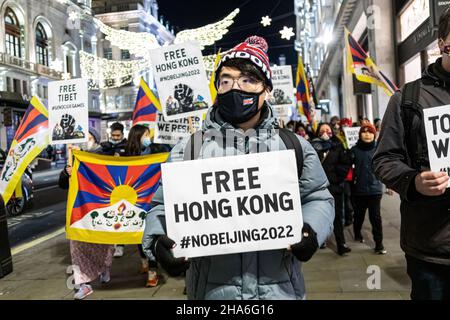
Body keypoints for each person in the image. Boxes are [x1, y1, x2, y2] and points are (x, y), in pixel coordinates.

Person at [142, 36, 334, 300]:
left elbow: (319, 198)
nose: (235, 87)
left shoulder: (294, 146)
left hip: (278, 291)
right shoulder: (189, 149)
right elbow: (162, 208)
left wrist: (311, 230)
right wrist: (158, 242)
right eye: (226, 80)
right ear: (217, 89)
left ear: (266, 90)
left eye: (248, 80)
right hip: (212, 292)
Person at [373, 8, 450, 300]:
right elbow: (383, 160)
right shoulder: (407, 99)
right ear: (442, 43)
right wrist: (414, 181)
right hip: (432, 252)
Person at [58, 128, 114, 300]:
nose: (84, 141)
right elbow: (62, 184)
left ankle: (103, 267)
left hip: (99, 209)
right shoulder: (73, 158)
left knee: (102, 244)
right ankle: (83, 283)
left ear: (95, 139)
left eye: (88, 137)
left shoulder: (103, 154)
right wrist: (66, 173)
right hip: (78, 211)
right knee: (77, 246)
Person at [123, 124, 161, 287]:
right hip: (135, 201)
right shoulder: (127, 154)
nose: (148, 138)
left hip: (152, 199)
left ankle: (153, 272)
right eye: (146, 134)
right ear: (138, 136)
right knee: (139, 235)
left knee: (150, 235)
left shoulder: (154, 151)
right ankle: (145, 263)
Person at [311, 123, 352, 256]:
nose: (325, 132)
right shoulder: (312, 147)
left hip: (335, 187)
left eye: (327, 130)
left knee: (337, 216)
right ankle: (321, 240)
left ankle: (341, 244)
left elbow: (345, 163)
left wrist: (337, 177)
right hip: (318, 188)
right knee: (320, 216)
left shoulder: (337, 145)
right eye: (322, 130)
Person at [350, 123, 387, 254]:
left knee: (375, 217)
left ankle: (379, 244)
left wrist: (389, 184)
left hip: (375, 189)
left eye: (370, 132)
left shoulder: (379, 150)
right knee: (359, 215)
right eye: (364, 132)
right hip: (359, 189)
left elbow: (385, 168)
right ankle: (357, 233)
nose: (367, 134)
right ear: (360, 134)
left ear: (374, 135)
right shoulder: (354, 150)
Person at [101, 122, 128, 257]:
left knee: (122, 215)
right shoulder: (105, 147)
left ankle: (120, 245)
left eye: (118, 135)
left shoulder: (128, 147)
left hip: (124, 187)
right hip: (108, 187)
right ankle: (112, 244)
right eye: (113, 135)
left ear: (122, 135)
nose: (116, 137)